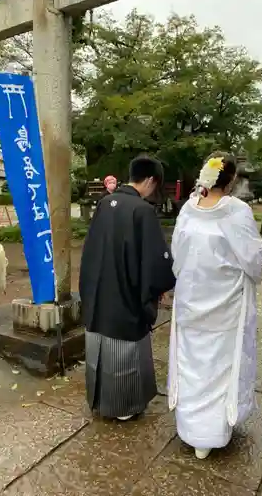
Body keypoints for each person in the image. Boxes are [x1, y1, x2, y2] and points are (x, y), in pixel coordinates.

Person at [168, 152, 262, 460]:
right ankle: (212, 432)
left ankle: (192, 430)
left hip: (192, 301)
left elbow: (178, 256)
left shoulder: (188, 210)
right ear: (232, 179)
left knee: (192, 364)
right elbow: (252, 260)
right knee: (219, 368)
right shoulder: (238, 211)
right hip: (226, 304)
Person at [79, 155, 176, 421]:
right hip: (125, 293)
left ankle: (99, 399)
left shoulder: (104, 204)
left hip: (99, 289)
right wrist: (160, 285)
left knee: (100, 342)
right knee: (123, 349)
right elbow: (154, 260)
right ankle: (122, 406)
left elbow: (91, 249)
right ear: (150, 180)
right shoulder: (141, 210)